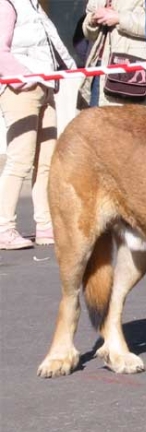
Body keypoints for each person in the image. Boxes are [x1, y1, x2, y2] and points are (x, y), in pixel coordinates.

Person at [0, 0, 76, 250]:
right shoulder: (8, 4)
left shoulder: (32, 4)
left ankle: (44, 226)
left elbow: (51, 40)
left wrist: (72, 70)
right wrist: (25, 79)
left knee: (46, 162)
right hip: (21, 89)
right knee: (19, 160)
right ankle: (4, 227)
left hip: (45, 87)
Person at [79, 0, 146, 109]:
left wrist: (119, 18)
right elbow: (89, 34)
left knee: (128, 124)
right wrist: (93, 19)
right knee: (97, 123)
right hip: (98, 70)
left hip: (131, 76)